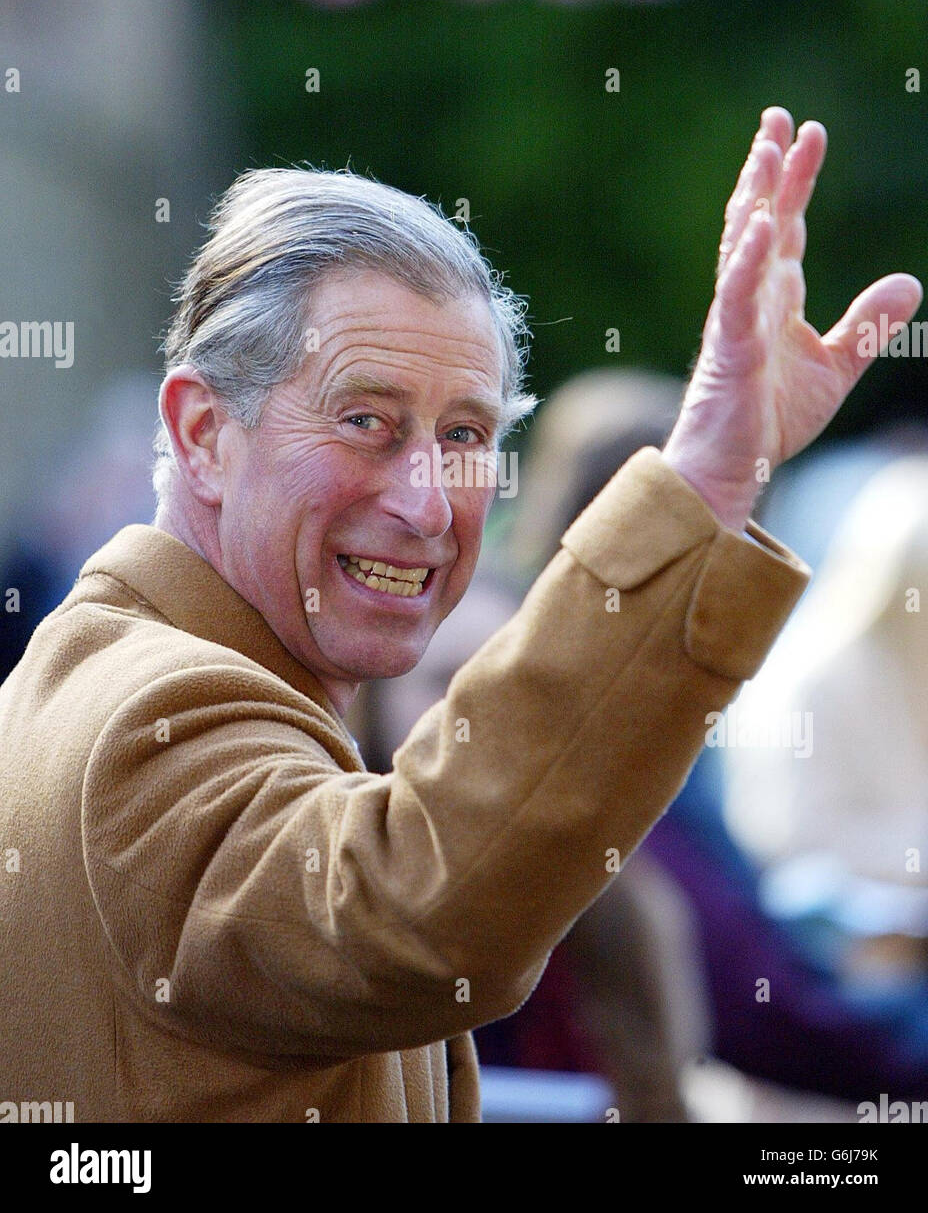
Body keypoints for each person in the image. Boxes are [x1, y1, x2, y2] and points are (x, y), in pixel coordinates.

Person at [0, 108, 920, 1122]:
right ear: (206, 432)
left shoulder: (123, 665)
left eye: (465, 433)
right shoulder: (154, 710)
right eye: (366, 423)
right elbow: (414, 916)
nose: (429, 502)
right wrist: (697, 481)